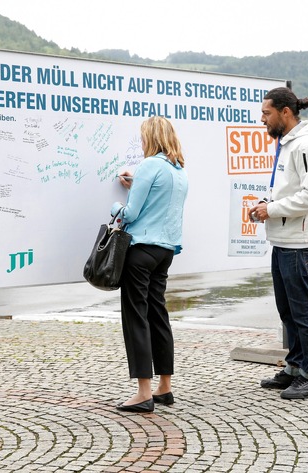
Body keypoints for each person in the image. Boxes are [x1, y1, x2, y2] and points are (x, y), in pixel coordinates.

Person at [249, 87, 308, 400]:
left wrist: (273, 209)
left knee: (304, 311)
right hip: (283, 239)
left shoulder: (307, 144)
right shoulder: (289, 143)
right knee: (288, 311)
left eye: (266, 113)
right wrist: (265, 204)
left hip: (298, 243)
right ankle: (295, 367)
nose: (262, 119)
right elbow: (289, 190)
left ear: (285, 112)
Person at [111, 116, 188, 413]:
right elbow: (158, 198)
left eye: (143, 136)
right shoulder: (179, 171)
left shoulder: (149, 166)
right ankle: (164, 387)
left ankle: (143, 392)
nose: (141, 142)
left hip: (141, 251)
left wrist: (116, 205)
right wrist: (136, 183)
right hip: (165, 252)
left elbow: (129, 213)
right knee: (158, 315)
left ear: (150, 138)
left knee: (136, 318)